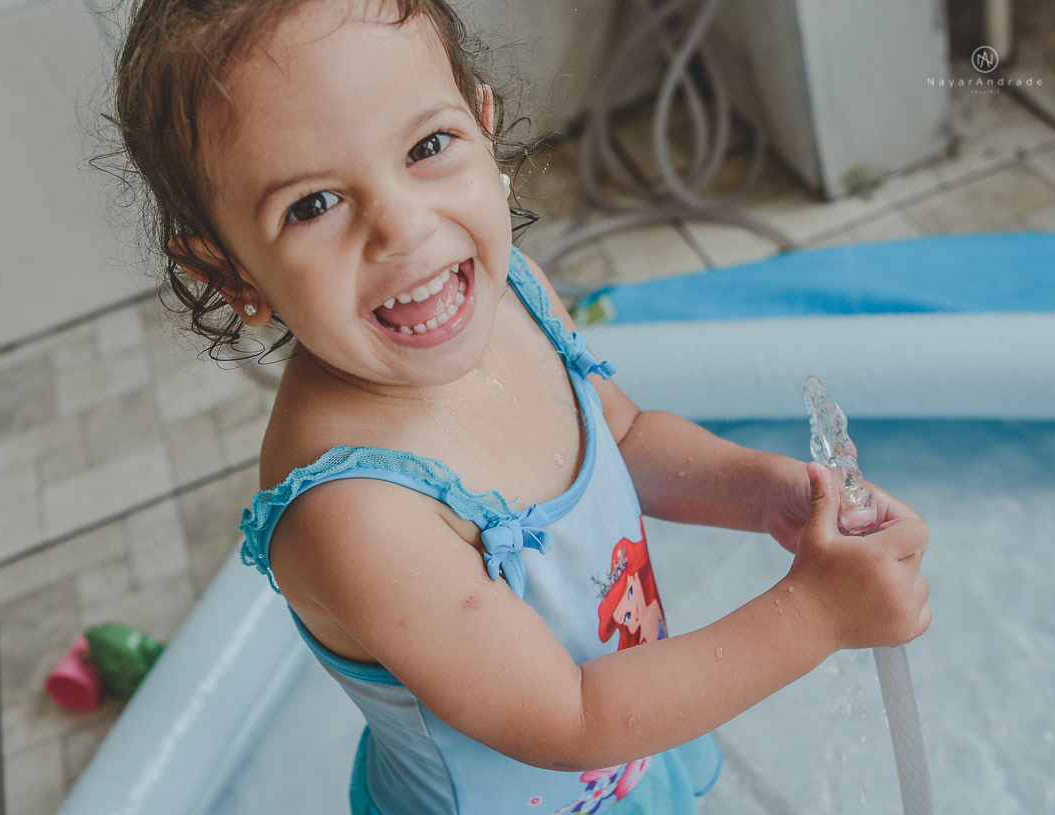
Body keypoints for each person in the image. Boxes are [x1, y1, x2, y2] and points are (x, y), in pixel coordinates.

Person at [110, 1, 931, 812]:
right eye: (313, 204)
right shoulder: (355, 512)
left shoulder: (517, 297)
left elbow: (626, 437)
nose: (404, 228)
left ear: (483, 126)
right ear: (230, 273)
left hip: (628, 731)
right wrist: (814, 613)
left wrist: (770, 493)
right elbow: (570, 716)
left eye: (427, 146)